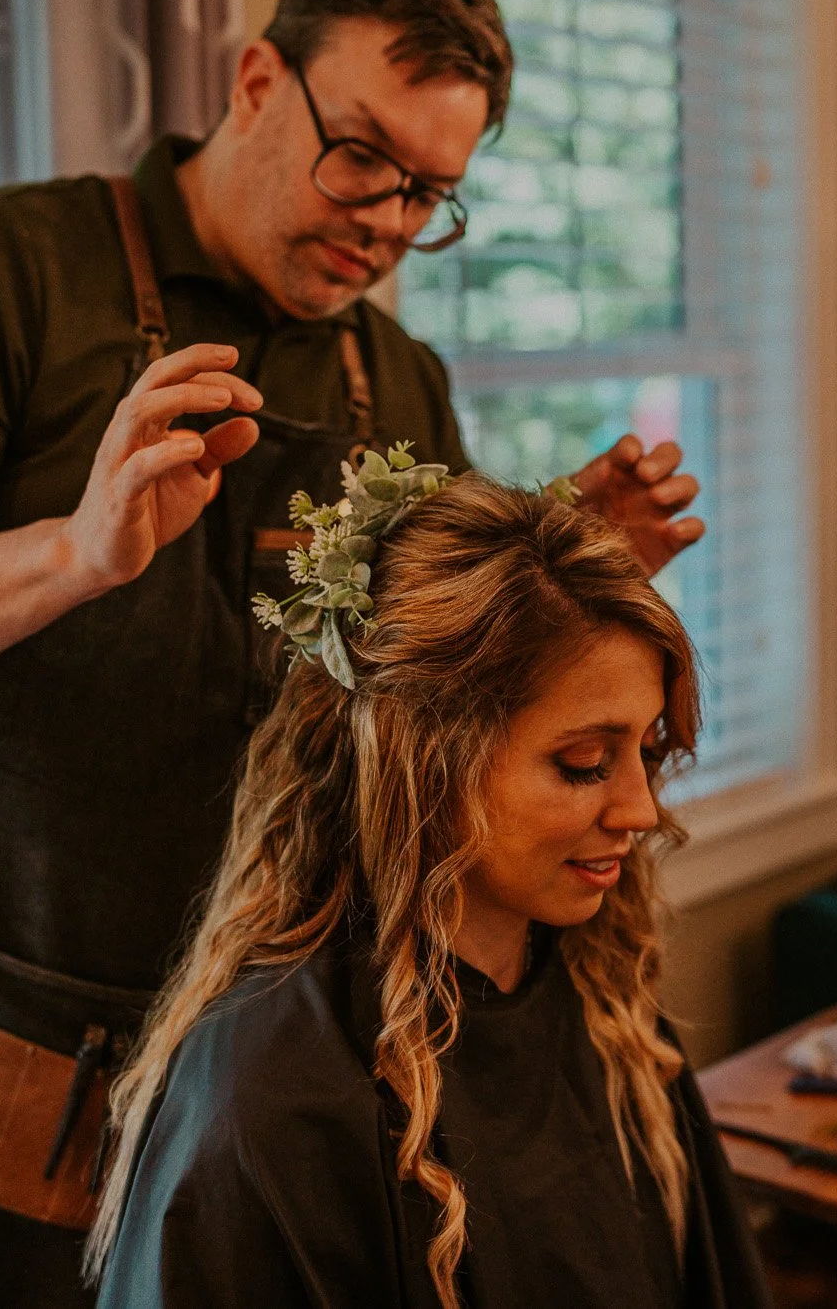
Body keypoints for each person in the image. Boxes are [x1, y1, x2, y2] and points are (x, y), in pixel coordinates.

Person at [0, 0, 703, 1302]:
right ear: (258, 79)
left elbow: (409, 686)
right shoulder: (6, 269)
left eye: (430, 192)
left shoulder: (400, 375)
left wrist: (560, 553)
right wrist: (78, 552)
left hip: (239, 1048)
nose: (386, 220)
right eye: (362, 157)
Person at [90, 475, 770, 1309]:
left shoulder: (604, 1005)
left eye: (648, 752)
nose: (640, 809)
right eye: (586, 763)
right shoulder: (271, 1099)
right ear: (424, 761)